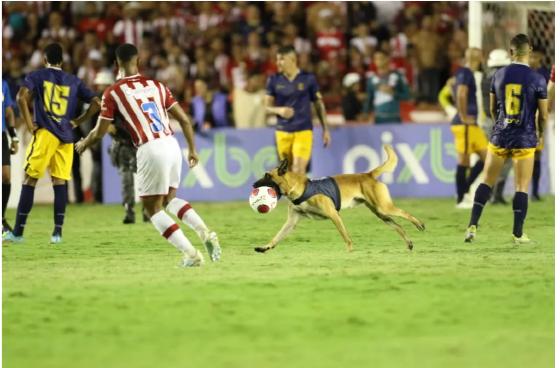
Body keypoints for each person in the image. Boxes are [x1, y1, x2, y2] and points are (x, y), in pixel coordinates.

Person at [75, 43, 221, 267]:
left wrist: (84, 143)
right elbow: (184, 119)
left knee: (152, 208)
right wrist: (192, 149)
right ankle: (204, 231)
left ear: (116, 64)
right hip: (172, 143)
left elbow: (99, 132)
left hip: (149, 148)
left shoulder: (112, 92)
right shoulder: (157, 85)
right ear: (139, 62)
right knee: (170, 199)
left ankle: (191, 255)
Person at [3, 43, 101, 244]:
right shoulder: (74, 80)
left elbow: (21, 97)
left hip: (45, 133)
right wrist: (77, 121)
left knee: (29, 179)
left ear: (44, 60)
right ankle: (57, 233)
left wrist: (30, 126)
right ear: (62, 61)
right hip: (66, 136)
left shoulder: (37, 76)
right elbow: (97, 103)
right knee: (60, 182)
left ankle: (18, 233)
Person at [464, 34, 548, 244]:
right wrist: (540, 134)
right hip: (524, 138)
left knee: (487, 182)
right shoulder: (538, 79)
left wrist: (500, 126)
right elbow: (544, 114)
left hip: (500, 135)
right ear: (529, 52)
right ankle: (517, 233)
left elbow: (493, 108)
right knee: (521, 186)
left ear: (511, 52)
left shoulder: (498, 75)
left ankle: (472, 226)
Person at [264, 45, 331, 174]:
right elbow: (266, 108)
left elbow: (318, 103)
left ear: (292, 59)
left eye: (281, 59)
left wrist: (325, 129)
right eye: (277, 59)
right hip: (282, 132)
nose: (278, 63)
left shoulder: (308, 79)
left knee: (298, 168)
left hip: (303, 130)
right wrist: (279, 110)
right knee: (287, 173)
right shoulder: (273, 80)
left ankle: (303, 194)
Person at [450, 48, 488, 209]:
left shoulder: (463, 73)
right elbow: (461, 94)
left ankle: (464, 190)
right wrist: (463, 115)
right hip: (464, 124)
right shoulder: (465, 72)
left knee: (488, 158)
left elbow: (455, 91)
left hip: (472, 126)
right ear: (478, 58)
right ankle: (461, 198)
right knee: (463, 161)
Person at [481, 49, 512, 205]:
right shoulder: (505, 77)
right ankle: (496, 194)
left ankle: (490, 193)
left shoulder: (486, 77)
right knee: (508, 158)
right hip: (502, 121)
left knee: (493, 159)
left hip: (488, 121)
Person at [363, 50, 410, 124]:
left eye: (381, 58)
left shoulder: (397, 76)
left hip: (394, 118)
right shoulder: (372, 80)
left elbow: (407, 95)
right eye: (376, 59)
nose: (378, 61)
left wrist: (393, 93)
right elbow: (369, 100)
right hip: (378, 119)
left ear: (387, 59)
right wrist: (365, 114)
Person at [528, 47, 550, 201]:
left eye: (536, 56)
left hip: (538, 118)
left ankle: (534, 192)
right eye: (531, 56)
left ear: (541, 57)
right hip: (524, 118)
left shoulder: (545, 74)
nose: (533, 59)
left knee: (537, 154)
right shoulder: (523, 73)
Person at [2, 79, 19, 234]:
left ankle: (1, 219)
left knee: (6, 176)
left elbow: (8, 111)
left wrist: (14, 137)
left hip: (1, 135)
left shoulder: (3, 84)